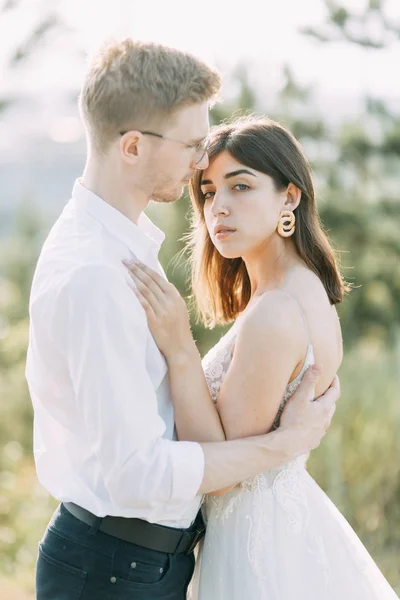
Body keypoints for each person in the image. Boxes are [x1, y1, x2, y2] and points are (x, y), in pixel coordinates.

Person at [26, 40, 339, 600]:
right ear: (132, 147)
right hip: (111, 569)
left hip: (146, 562)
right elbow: (136, 470)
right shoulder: (96, 273)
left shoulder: (128, 248)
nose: (202, 163)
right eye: (194, 145)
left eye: (238, 185)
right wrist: (284, 445)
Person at [126, 116, 399, 599]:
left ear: (289, 197)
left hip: (255, 547)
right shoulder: (301, 291)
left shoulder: (275, 311)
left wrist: (179, 347)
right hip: (278, 527)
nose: (219, 208)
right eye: (208, 192)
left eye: (242, 186)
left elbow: (220, 480)